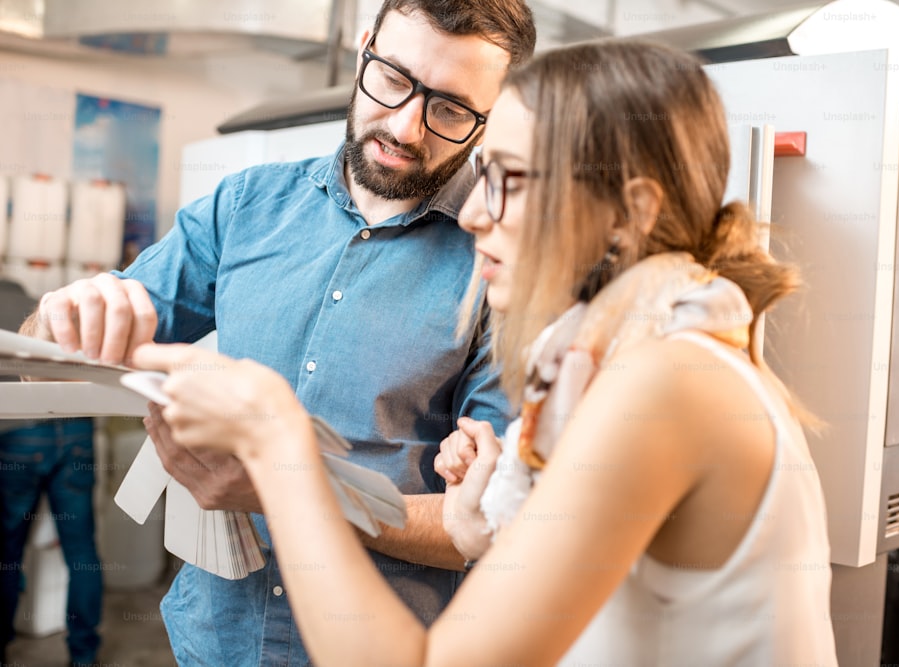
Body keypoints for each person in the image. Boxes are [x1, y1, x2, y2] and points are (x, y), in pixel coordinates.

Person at [129, 40, 840, 665]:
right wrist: (478, 524)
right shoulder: (621, 364)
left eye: (508, 179)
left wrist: (276, 442)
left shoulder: (666, 384)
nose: (472, 214)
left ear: (633, 213)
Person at [18, 1, 536, 664]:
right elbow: (52, 360)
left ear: (492, 116)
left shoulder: (499, 263)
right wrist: (61, 318)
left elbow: (491, 520)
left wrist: (286, 487)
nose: (406, 126)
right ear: (364, 48)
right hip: (210, 643)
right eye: (394, 78)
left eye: (452, 109)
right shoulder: (245, 207)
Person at [1, 278, 101, 667]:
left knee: (9, 551)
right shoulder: (38, 307)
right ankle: (84, 654)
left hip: (17, 436)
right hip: (76, 430)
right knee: (82, 553)